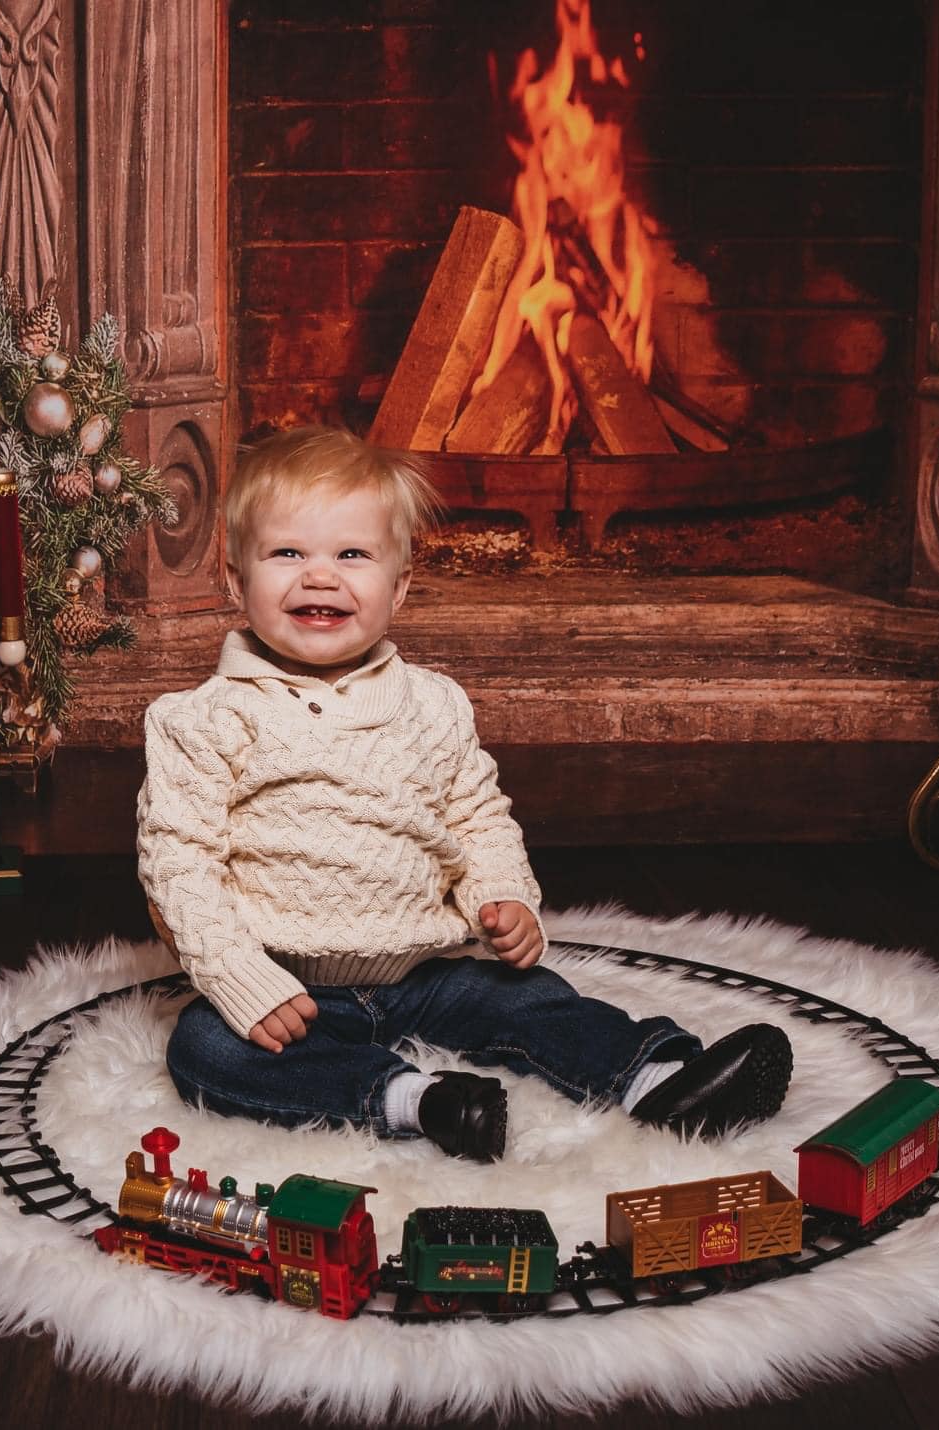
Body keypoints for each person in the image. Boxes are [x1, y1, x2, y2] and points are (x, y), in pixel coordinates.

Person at [136, 426, 791, 1162]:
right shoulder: (204, 718)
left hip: (427, 973)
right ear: (234, 580)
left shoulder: (434, 704)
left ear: (401, 586)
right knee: (206, 1049)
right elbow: (178, 863)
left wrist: (504, 896)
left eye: (352, 554)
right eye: (287, 553)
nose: (320, 577)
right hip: (291, 986)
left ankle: (659, 1080)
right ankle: (420, 1101)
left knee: (533, 998)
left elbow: (477, 815)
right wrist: (239, 978)